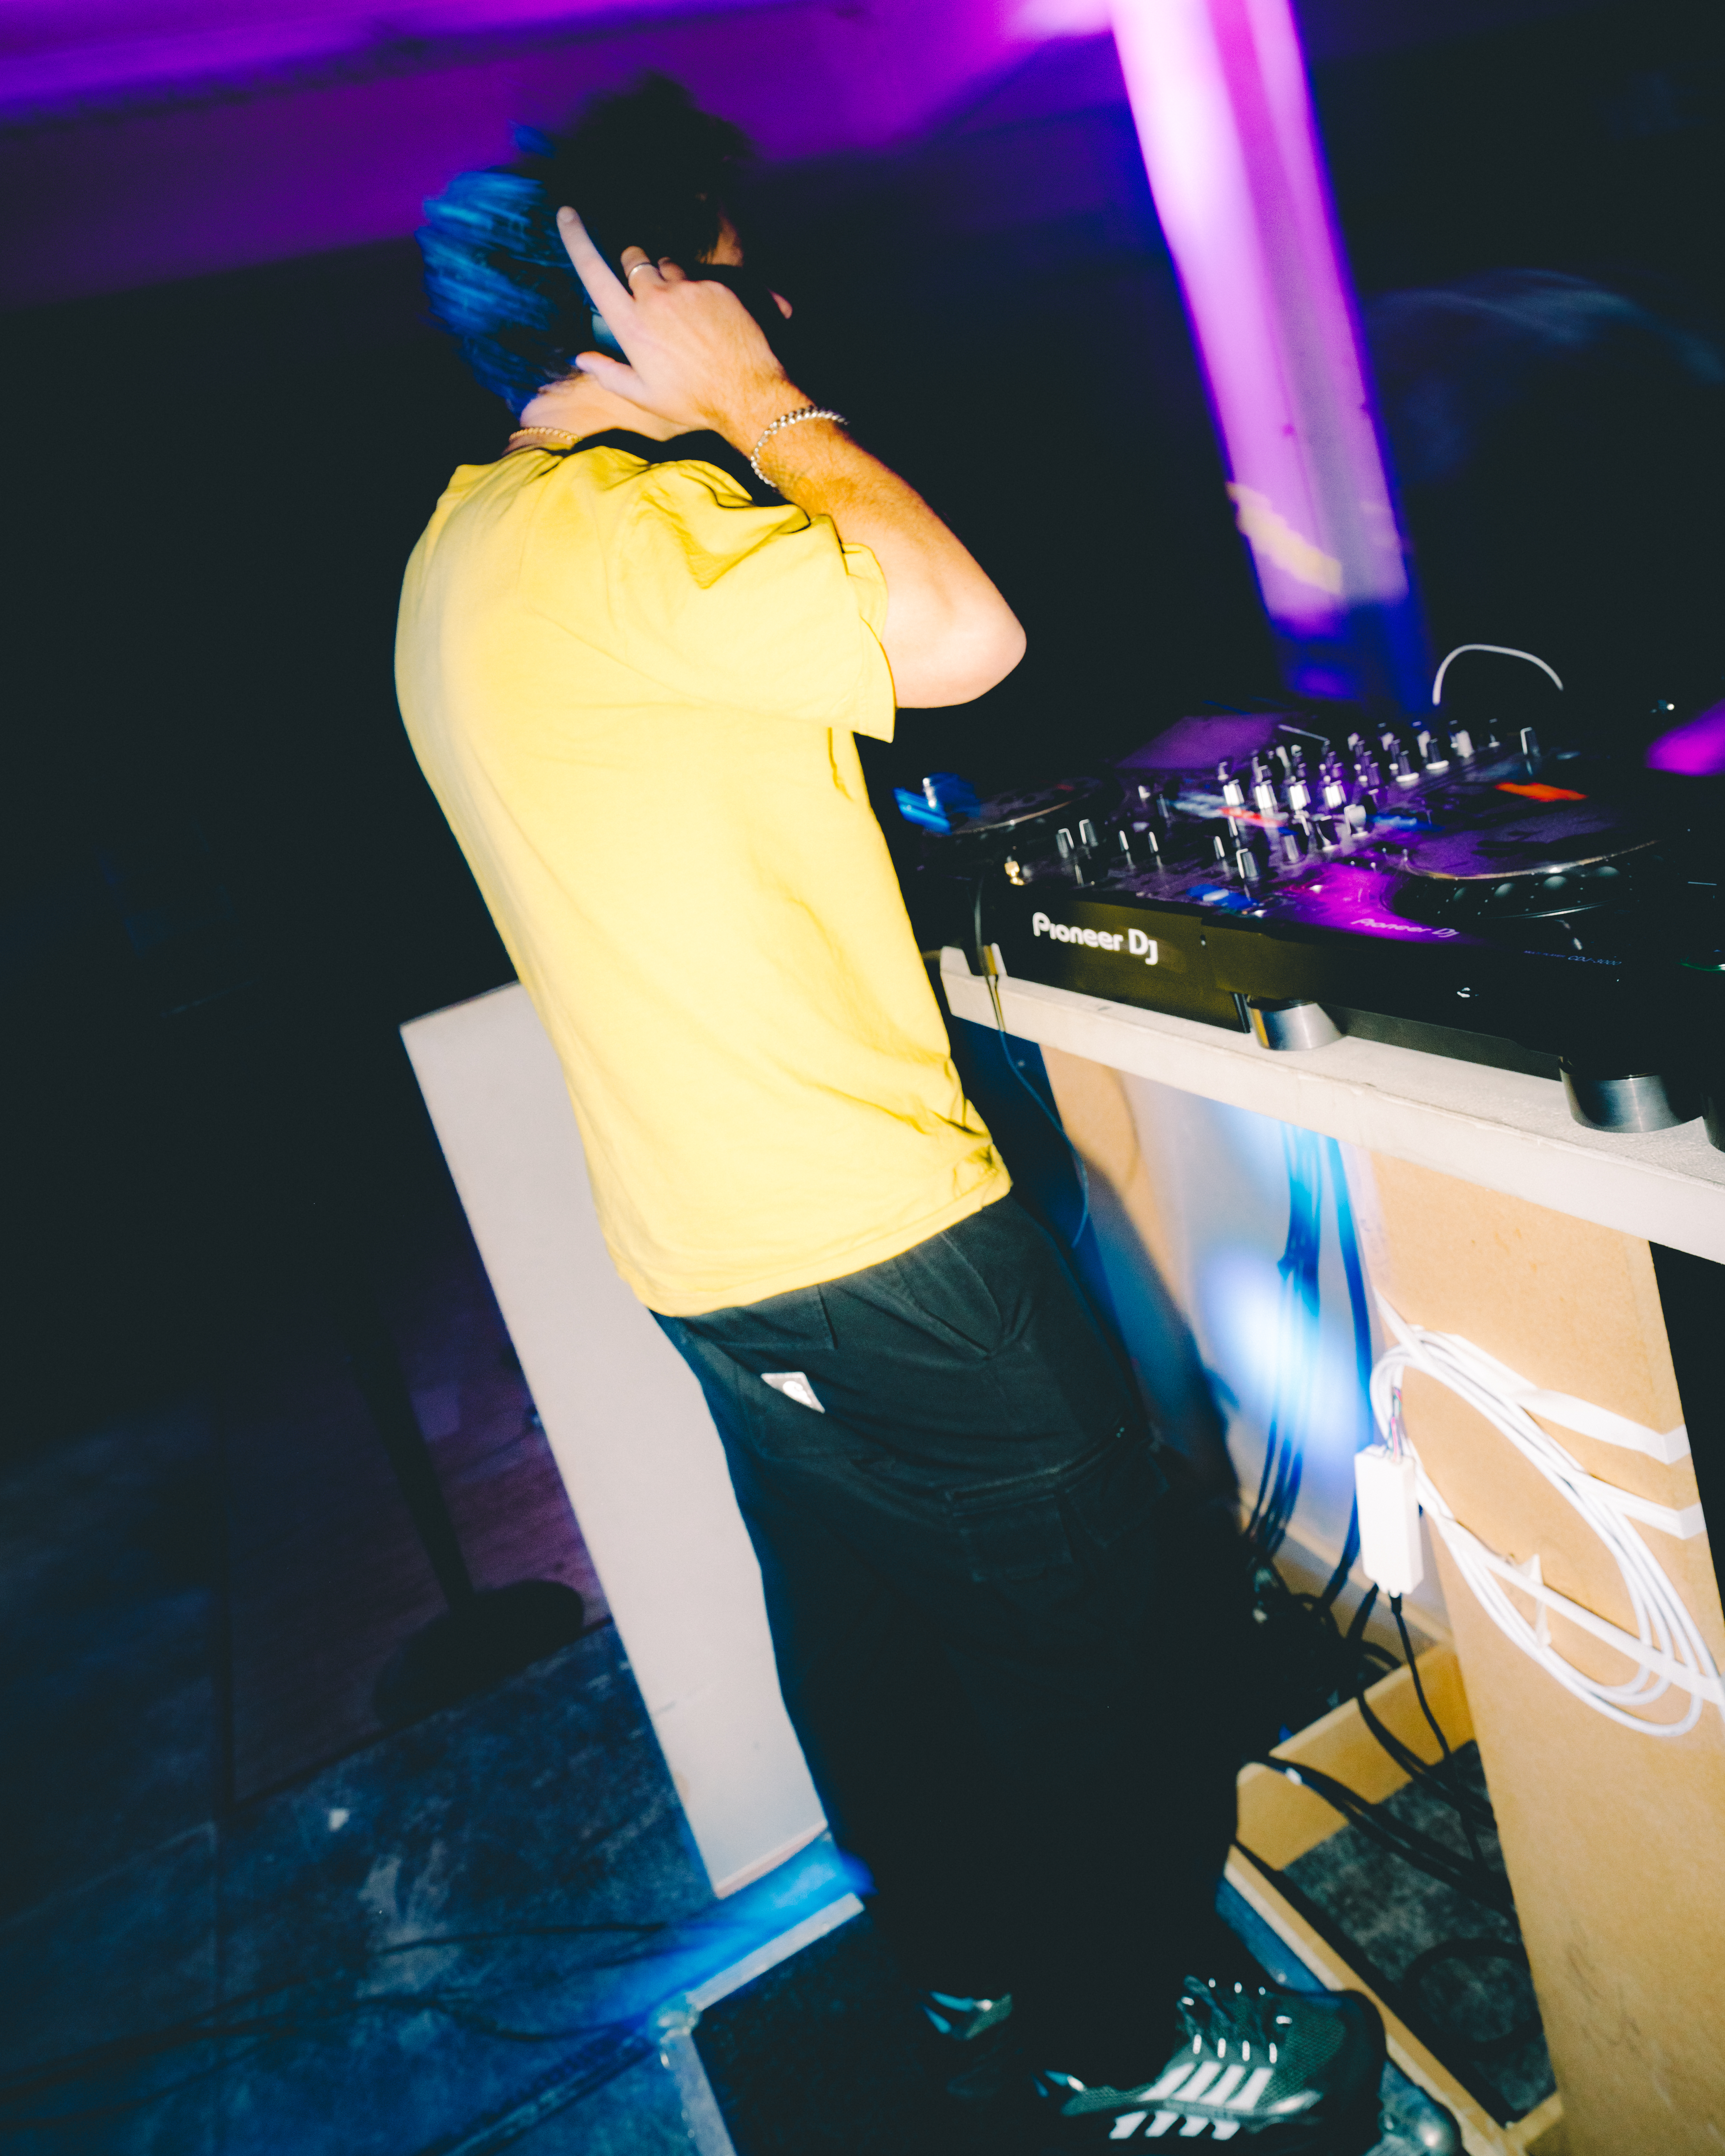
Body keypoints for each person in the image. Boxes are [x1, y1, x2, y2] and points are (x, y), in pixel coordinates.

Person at [397, 76, 1381, 2149]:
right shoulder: (635, 524)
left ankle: (957, 1954)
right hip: (860, 1238)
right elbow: (960, 632)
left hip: (711, 1247)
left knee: (877, 1627)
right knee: (1095, 1634)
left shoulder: (466, 550)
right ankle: (1123, 2038)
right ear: (651, 293)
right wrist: (764, 409)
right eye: (743, 282)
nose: (784, 314)